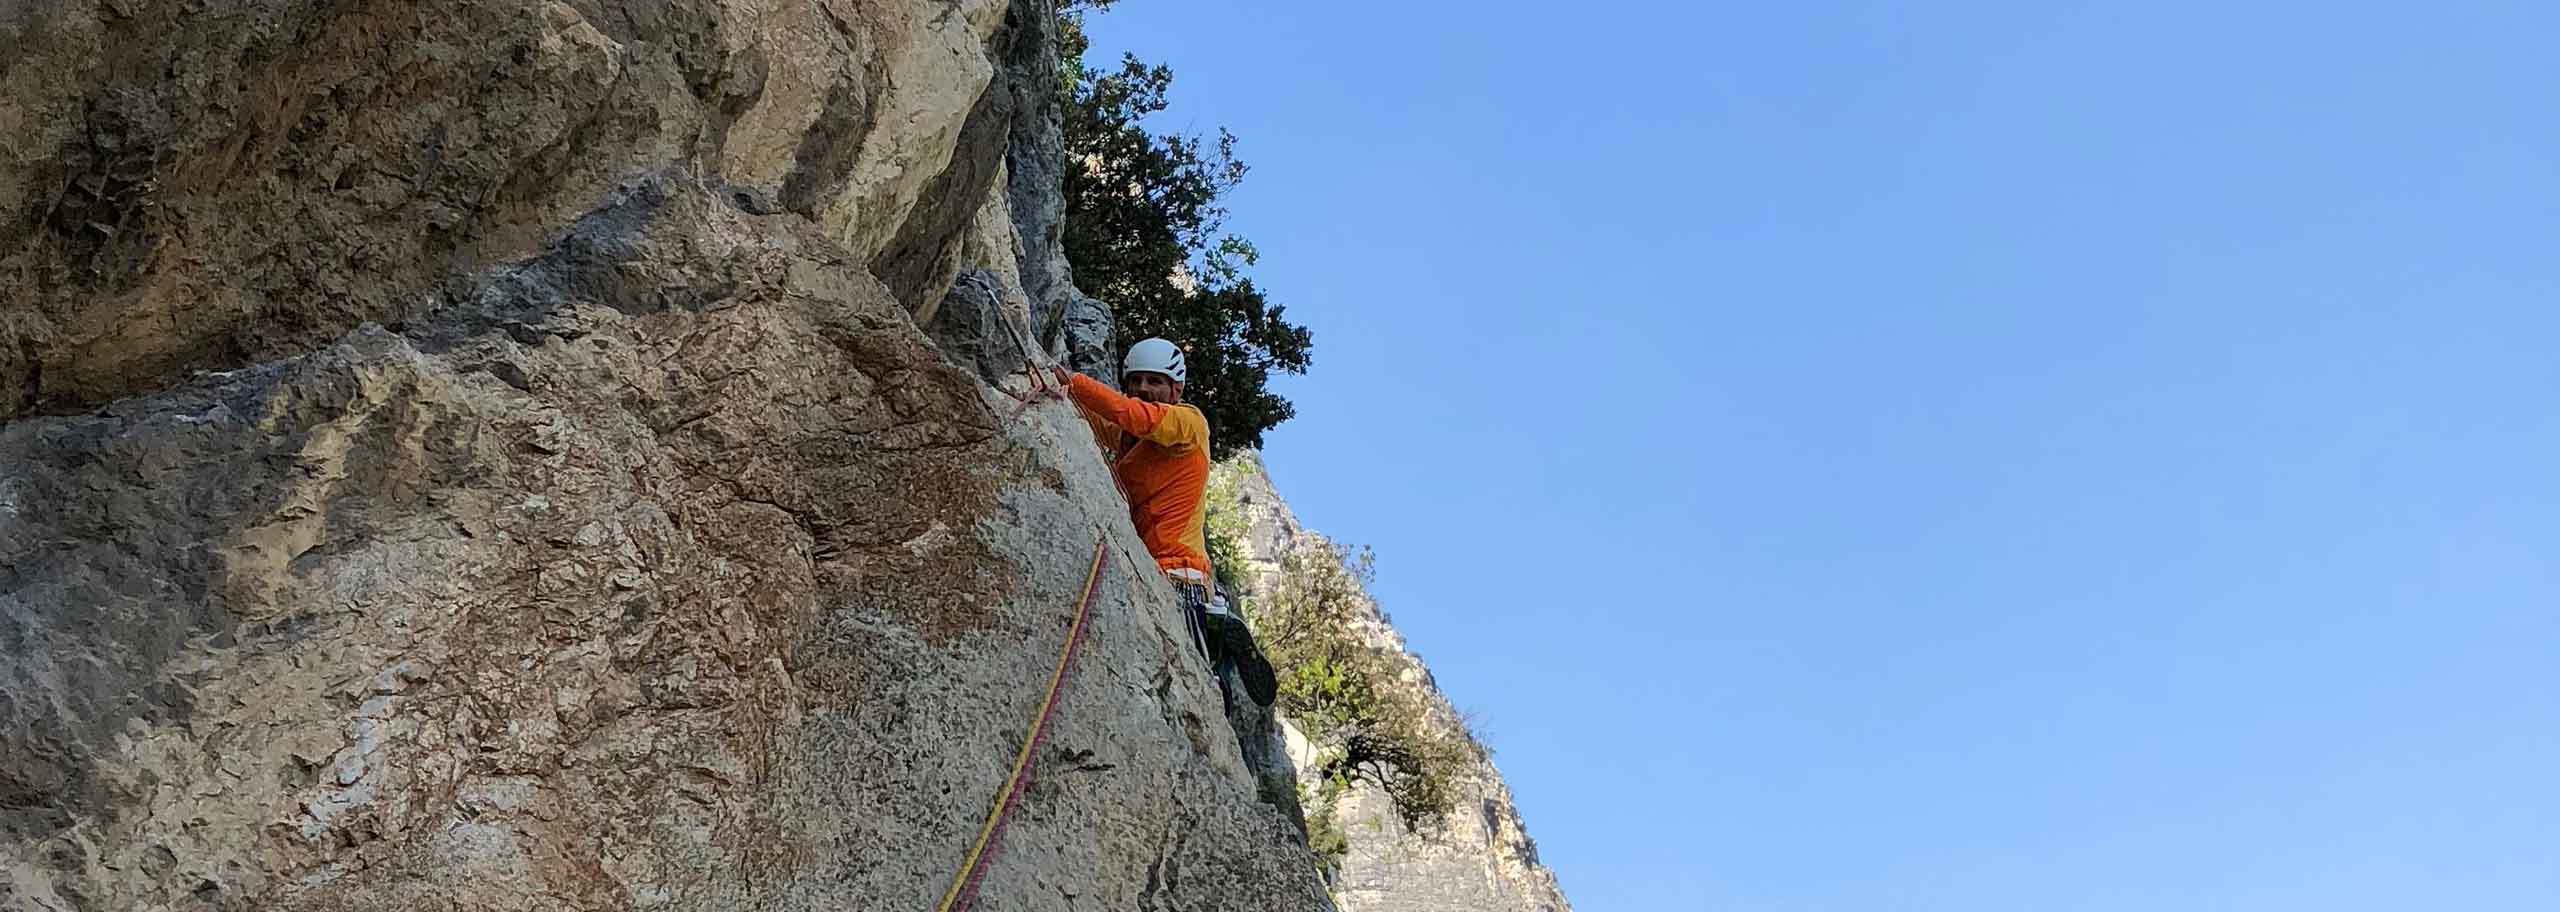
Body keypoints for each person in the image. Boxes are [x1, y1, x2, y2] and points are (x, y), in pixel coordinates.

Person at [1053, 338, 1275, 705]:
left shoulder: (1188, 423)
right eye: (1135, 380)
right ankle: (1218, 639)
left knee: (1190, 671)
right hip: (1151, 566)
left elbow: (1134, 415)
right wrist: (1057, 386)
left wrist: (1074, 380)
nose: (1143, 388)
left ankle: (1217, 667)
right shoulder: (1131, 441)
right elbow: (1102, 418)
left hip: (1180, 572)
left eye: (1154, 381)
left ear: (1176, 390)